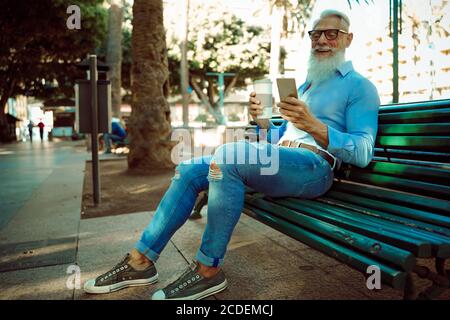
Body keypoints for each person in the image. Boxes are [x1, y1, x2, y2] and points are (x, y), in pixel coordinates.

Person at [83, 9, 380, 300]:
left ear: (348, 39)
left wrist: (316, 127)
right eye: (316, 34)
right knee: (188, 169)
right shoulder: (307, 86)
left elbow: (363, 152)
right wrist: (263, 122)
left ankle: (208, 270)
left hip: (315, 169)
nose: (322, 40)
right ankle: (140, 261)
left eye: (331, 34)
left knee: (228, 156)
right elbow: (284, 137)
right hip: (281, 160)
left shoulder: (360, 87)